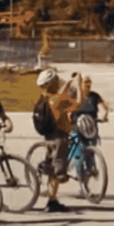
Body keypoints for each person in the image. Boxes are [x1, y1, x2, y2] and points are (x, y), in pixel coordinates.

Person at [32, 68, 84, 213]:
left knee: (51, 169)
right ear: (53, 83)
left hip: (49, 138)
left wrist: (67, 84)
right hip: (60, 138)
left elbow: (62, 91)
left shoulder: (46, 98)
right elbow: (79, 102)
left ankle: (52, 199)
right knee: (57, 172)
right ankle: (52, 202)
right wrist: (78, 84)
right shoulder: (59, 100)